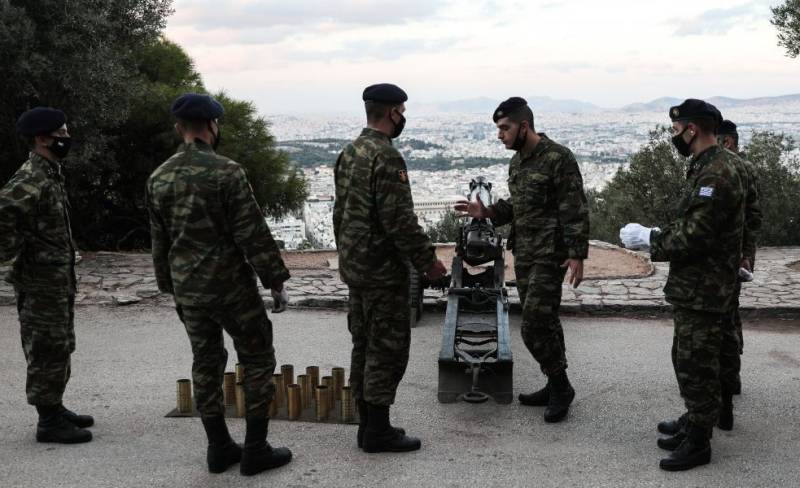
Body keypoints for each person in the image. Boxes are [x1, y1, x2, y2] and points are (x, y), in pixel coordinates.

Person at [146, 93, 291, 476]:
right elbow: (252, 233)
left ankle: (219, 447)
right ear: (213, 126)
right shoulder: (227, 172)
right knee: (257, 357)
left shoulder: (159, 177)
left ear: (180, 129)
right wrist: (275, 281)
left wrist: (169, 286)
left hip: (188, 290)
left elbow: (159, 241)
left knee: (205, 362)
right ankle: (256, 449)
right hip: (229, 287)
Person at [620, 99, 745, 471]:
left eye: (677, 130)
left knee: (696, 364)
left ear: (692, 129)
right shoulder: (711, 166)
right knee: (687, 357)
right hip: (700, 286)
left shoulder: (716, 174)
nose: (675, 137)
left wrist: (650, 238)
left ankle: (700, 442)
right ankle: (694, 421)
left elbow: (694, 237)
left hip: (704, 289)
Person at [455, 97, 590, 423]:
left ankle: (561, 386)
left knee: (532, 326)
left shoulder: (558, 158)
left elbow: (575, 207)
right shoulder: (518, 163)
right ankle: (554, 382)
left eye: (505, 128)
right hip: (526, 254)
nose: (500, 135)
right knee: (546, 323)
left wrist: (576, 254)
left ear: (523, 126)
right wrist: (487, 211)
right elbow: (518, 206)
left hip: (550, 256)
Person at [333, 83, 447, 453]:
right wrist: (428, 263)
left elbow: (339, 215)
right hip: (382, 272)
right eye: (401, 112)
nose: (403, 119)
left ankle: (366, 425)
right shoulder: (386, 157)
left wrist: (348, 256)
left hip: (356, 268)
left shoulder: (349, 152)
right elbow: (400, 220)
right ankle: (378, 432)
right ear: (393, 113)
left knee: (362, 344)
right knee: (387, 349)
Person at [0, 107, 94, 444]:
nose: (67, 139)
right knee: (45, 348)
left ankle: (54, 406)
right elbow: (5, 217)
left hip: (55, 282)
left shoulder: (50, 173)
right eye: (62, 134)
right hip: (40, 283)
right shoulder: (31, 178)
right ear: (42, 139)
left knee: (60, 345)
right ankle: (48, 422)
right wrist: (16, 258)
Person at [717, 119, 762, 402]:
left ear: (728, 142)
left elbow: (750, 217)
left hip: (730, 257)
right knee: (730, 314)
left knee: (725, 318)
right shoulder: (748, 169)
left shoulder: (733, 169)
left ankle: (727, 379)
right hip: (740, 254)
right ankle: (731, 378)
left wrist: (744, 256)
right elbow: (755, 219)